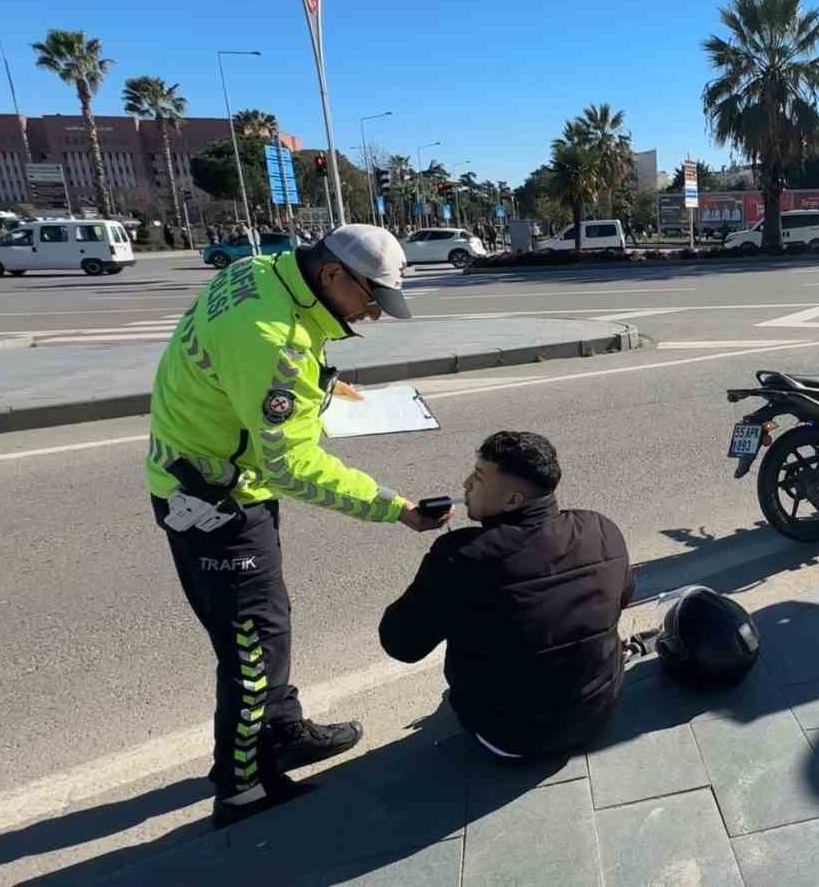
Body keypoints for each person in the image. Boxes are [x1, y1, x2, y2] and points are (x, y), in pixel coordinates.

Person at [146, 223, 452, 829]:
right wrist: (395, 507)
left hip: (217, 473)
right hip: (216, 504)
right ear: (333, 273)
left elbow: (244, 376)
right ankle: (240, 789)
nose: (372, 314)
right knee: (251, 647)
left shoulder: (259, 273)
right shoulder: (276, 339)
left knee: (268, 623)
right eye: (371, 298)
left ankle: (282, 732)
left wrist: (316, 388)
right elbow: (290, 464)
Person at [379, 432, 633, 760]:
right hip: (598, 714)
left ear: (512, 500)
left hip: (509, 737)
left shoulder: (462, 556)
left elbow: (401, 644)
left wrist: (440, 576)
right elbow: (624, 596)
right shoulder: (600, 527)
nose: (466, 483)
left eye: (478, 477)